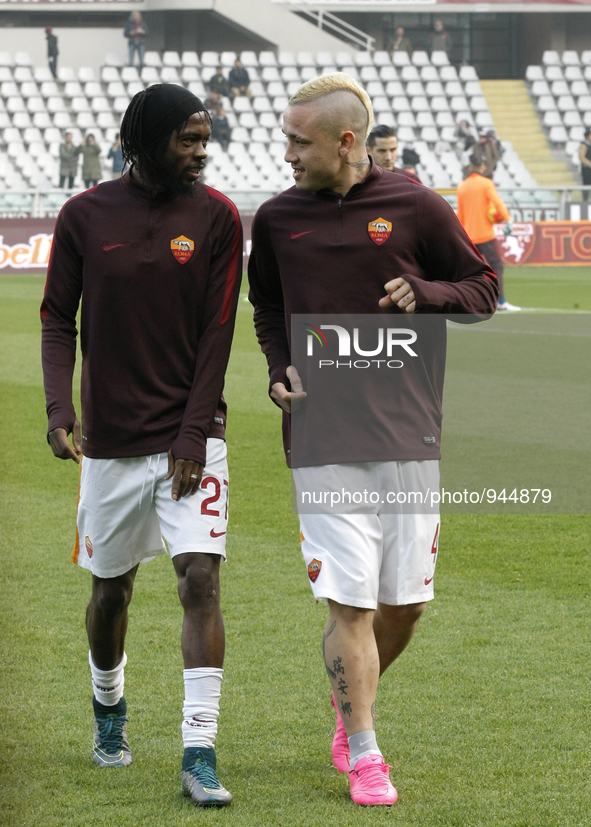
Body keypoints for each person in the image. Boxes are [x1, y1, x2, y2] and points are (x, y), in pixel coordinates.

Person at [248, 73, 498, 807]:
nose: (286, 153)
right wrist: (276, 367)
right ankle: (364, 749)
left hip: (408, 435)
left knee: (405, 606)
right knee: (347, 603)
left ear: (345, 141)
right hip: (321, 436)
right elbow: (266, 304)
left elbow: (481, 288)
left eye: (299, 141)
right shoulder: (275, 217)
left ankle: (348, 697)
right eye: (286, 139)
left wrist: (429, 293)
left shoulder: (415, 205)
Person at [40, 84, 242, 808]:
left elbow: (217, 334)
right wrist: (61, 406)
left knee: (200, 580)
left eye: (204, 137)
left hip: (193, 436)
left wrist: (193, 432)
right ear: (148, 138)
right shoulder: (84, 216)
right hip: (110, 441)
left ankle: (199, 750)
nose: (201, 149)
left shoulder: (217, 217)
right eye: (188, 138)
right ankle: (109, 709)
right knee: (109, 591)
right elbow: (58, 316)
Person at [456, 154, 520, 311]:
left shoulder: (462, 187)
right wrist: (508, 219)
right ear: (483, 168)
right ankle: (500, 301)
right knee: (496, 265)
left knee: (470, 271)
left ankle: (467, 301)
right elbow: (497, 202)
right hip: (486, 235)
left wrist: (459, 235)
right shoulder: (486, 183)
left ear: (470, 168)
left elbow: (460, 215)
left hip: (469, 237)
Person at [579, 128, 591, 201]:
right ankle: (585, 199)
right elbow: (582, 157)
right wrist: (589, 163)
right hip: (587, 169)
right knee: (586, 184)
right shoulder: (583, 145)